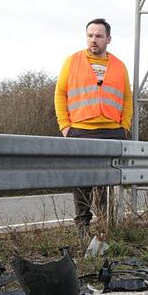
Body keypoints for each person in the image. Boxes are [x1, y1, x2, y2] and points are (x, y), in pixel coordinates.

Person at [55, 18, 133, 241]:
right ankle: (82, 227)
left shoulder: (119, 65)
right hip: (80, 130)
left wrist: (124, 125)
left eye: (99, 36)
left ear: (108, 39)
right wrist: (65, 126)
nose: (93, 40)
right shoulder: (72, 62)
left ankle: (106, 228)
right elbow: (60, 94)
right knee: (81, 182)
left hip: (111, 131)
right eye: (90, 35)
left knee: (106, 182)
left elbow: (127, 97)